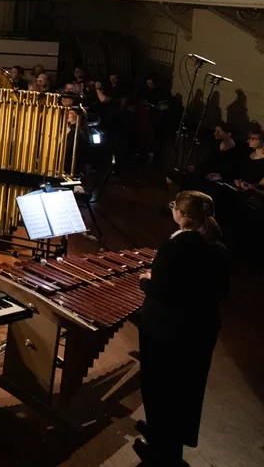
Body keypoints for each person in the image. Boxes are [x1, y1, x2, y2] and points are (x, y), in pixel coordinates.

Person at [135, 190, 230, 466]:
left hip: (167, 330)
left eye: (174, 207)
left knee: (159, 389)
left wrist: (146, 280)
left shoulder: (176, 245)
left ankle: (161, 454)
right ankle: (164, 438)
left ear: (182, 214)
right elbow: (219, 292)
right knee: (185, 392)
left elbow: (161, 291)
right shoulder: (219, 247)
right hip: (201, 330)